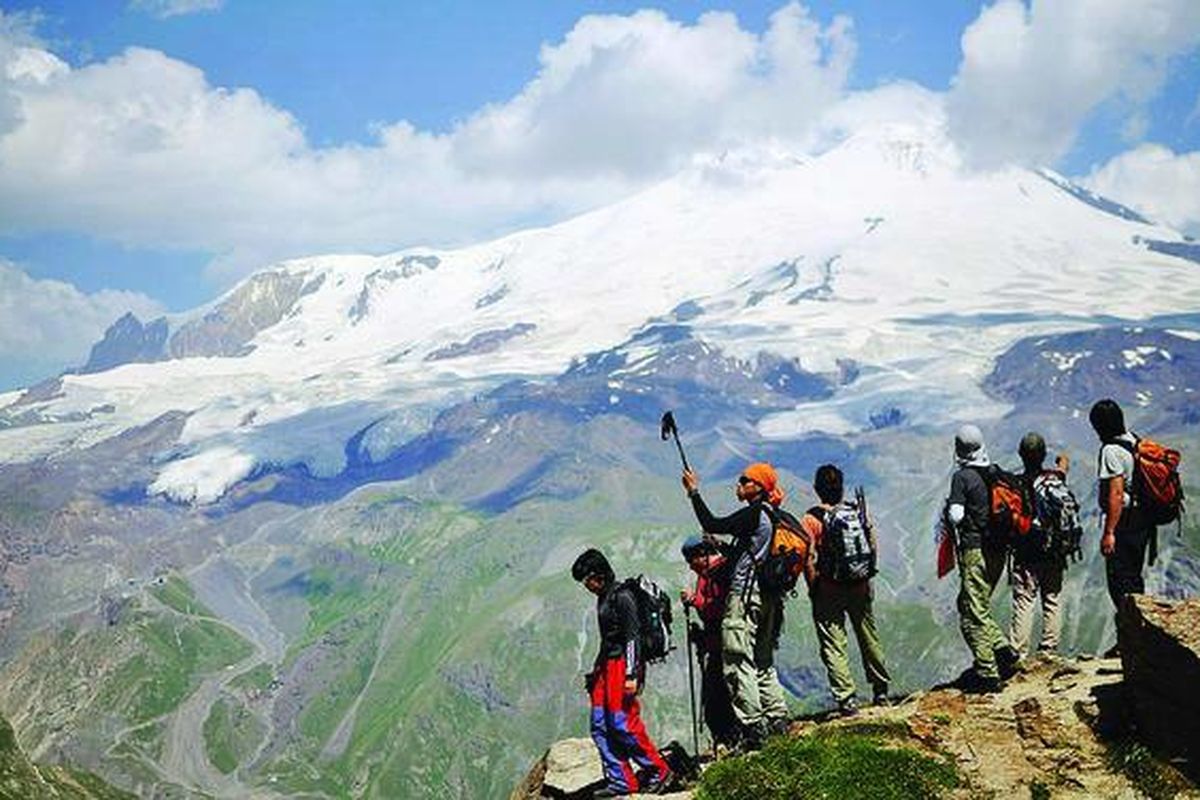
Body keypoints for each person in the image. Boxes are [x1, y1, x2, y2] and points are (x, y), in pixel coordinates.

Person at [681, 463, 789, 750]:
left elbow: (712, 522)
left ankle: (754, 729)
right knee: (763, 661)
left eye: (745, 480)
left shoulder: (754, 512)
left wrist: (693, 492)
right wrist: (724, 546)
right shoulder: (770, 514)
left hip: (744, 597)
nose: (739, 484)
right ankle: (777, 719)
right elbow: (749, 553)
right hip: (767, 598)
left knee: (738, 661)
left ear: (758, 486)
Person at [572, 549, 671, 797]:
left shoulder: (622, 596)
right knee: (599, 725)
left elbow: (632, 637)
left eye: (587, 580)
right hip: (606, 666)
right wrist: (596, 672)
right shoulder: (604, 597)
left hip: (622, 665)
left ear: (599, 575)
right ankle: (621, 780)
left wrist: (631, 675)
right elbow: (609, 638)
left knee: (621, 722)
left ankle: (659, 770)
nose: (587, 586)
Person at [799, 464, 890, 715]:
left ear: (817, 489)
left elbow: (809, 557)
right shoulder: (856, 512)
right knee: (868, 636)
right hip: (860, 584)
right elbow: (871, 544)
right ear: (841, 488)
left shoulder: (811, 519)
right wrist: (867, 576)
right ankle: (880, 690)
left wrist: (813, 587)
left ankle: (847, 698)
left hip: (829, 587)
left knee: (833, 642)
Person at [945, 424, 1018, 692]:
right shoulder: (995, 473)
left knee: (972, 613)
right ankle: (1001, 650)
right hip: (998, 551)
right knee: (974, 603)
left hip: (975, 550)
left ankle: (988, 673)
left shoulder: (962, 477)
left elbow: (956, 516)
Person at [1089, 399, 1154, 657]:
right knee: (1133, 577)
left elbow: (1115, 494)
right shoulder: (1134, 440)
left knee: (1120, 581)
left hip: (1125, 521)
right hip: (1142, 519)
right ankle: (1137, 634)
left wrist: (1109, 532)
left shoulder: (1110, 451)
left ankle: (1135, 640)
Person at [1009, 433, 1070, 662]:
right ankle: (1049, 649)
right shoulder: (1055, 480)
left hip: (1027, 553)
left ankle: (1019, 653)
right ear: (1043, 455)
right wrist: (1061, 462)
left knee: (1025, 600)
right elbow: (1063, 468)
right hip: (1054, 551)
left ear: (1021, 455)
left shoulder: (1016, 483)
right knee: (1052, 597)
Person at [680, 536, 738, 748]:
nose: (690, 567)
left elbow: (716, 608)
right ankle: (729, 737)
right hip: (717, 640)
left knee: (718, 694)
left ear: (700, 556)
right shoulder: (713, 572)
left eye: (691, 561)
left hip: (721, 641)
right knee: (720, 691)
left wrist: (694, 601)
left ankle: (729, 737)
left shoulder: (716, 573)